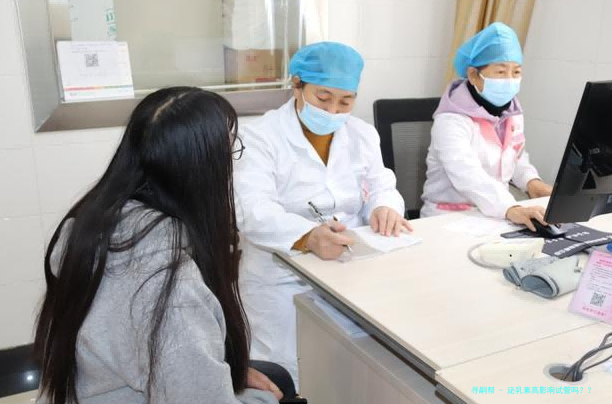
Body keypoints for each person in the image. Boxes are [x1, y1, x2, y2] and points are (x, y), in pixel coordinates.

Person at [34, 87, 282, 404]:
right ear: (203, 172)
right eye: (229, 152)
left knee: (271, 375)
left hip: (87, 390)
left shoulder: (87, 228)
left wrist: (213, 368)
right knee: (279, 388)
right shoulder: (170, 288)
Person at [233, 42, 410, 384]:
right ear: (297, 85)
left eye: (345, 101)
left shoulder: (362, 134)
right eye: (323, 97)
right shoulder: (258, 136)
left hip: (349, 265)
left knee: (354, 367)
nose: (332, 110)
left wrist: (385, 206)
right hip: (280, 273)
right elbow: (252, 210)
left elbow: (382, 184)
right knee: (286, 374)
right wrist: (308, 236)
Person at [421, 22, 553, 231]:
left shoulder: (511, 112)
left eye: (516, 72)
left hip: (497, 215)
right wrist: (510, 207)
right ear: (474, 75)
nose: (509, 80)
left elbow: (516, 157)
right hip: (449, 218)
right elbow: (466, 173)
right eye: (500, 72)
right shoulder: (450, 120)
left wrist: (532, 182)